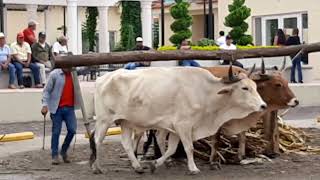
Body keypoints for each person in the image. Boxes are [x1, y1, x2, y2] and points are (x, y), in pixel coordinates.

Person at [41, 67, 79, 165]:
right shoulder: (55, 74)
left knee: (72, 130)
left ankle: (63, 150)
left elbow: (84, 69)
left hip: (70, 108)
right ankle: (54, 155)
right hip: (56, 108)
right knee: (56, 132)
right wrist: (44, 105)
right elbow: (46, 91)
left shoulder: (74, 73)